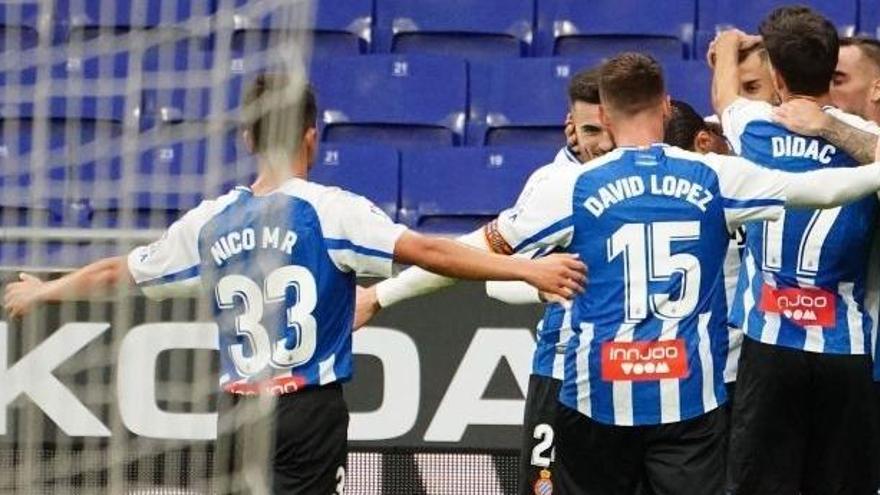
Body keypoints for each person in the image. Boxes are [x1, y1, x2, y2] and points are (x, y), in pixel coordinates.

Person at [2, 74, 587, 494]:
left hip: (235, 414)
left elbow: (117, 272)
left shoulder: (209, 221)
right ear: (313, 135)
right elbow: (430, 251)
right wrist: (525, 267)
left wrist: (42, 292)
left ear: (248, 140)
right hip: (307, 411)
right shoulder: (331, 212)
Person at [506, 51, 880, 495]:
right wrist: (538, 281)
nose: (594, 142)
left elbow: (481, 256)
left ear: (607, 116)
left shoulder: (575, 186)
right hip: (622, 384)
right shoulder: (717, 175)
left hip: (685, 387)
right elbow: (818, 187)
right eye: (582, 132)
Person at [354, 66, 611, 495]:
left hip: (648, 377)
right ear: (570, 127)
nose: (599, 145)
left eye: (606, 129)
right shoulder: (556, 187)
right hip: (564, 371)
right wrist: (382, 294)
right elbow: (494, 269)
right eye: (588, 130)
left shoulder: (671, 167)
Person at [711, 6, 880, 494]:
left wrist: (726, 48)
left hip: (769, 349)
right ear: (832, 69)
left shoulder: (757, 127)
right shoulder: (866, 138)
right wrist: (829, 127)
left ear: (776, 75)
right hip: (845, 352)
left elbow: (725, 97)